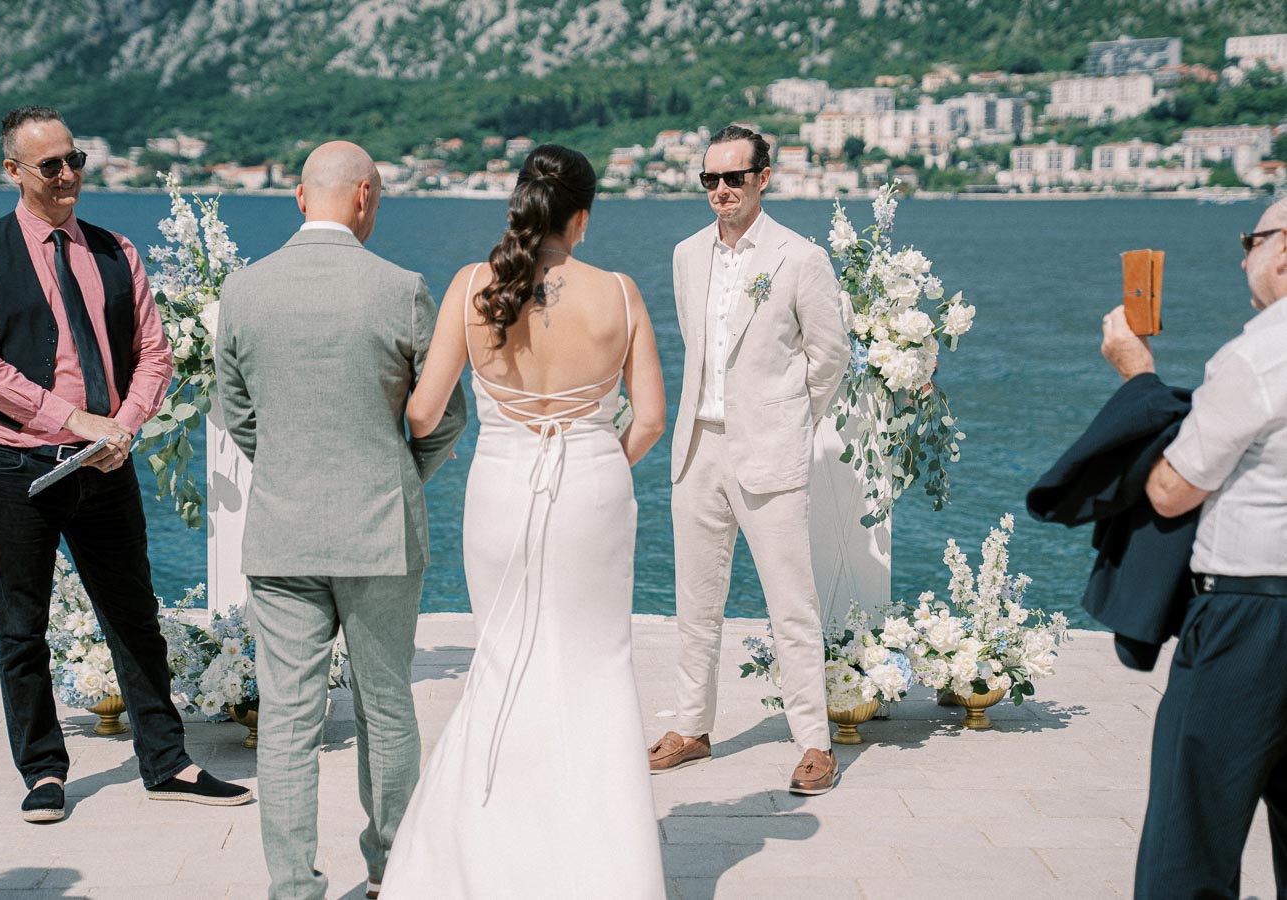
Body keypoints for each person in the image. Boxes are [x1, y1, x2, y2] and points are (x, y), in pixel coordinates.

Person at [0, 105, 251, 823]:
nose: (70, 173)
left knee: (134, 617)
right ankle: (44, 772)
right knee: (21, 629)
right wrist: (72, 418)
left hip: (104, 467)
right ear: (13, 172)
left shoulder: (117, 250)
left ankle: (167, 762)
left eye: (76, 158)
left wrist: (124, 427)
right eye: (51, 164)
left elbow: (156, 356)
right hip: (13, 469)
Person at [379, 144, 667, 898]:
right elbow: (652, 421)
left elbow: (422, 411)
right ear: (581, 216)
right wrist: (596, 466)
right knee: (596, 666)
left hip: (500, 489)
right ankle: (605, 869)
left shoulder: (474, 286)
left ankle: (488, 854)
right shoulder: (621, 294)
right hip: (594, 490)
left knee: (506, 658)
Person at [214, 141, 467, 900]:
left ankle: (293, 887)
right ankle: (390, 871)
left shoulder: (243, 291)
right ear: (363, 197)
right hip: (380, 533)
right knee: (387, 708)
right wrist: (393, 478)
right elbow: (446, 417)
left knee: (288, 721)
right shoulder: (401, 289)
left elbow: (238, 417)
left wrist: (292, 467)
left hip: (283, 531)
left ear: (299, 197)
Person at [648, 125, 850, 795]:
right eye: (710, 179)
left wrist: (790, 423)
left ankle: (814, 743)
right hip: (697, 444)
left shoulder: (800, 258)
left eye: (734, 177)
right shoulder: (685, 255)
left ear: (764, 177)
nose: (721, 190)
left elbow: (830, 358)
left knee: (791, 603)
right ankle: (691, 727)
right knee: (694, 601)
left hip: (769, 449)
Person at [1100, 198, 1287, 900]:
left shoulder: (1260, 354)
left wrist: (1139, 382)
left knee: (1190, 846)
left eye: (1251, 240)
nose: (1244, 258)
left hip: (1252, 619)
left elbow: (1174, 491)